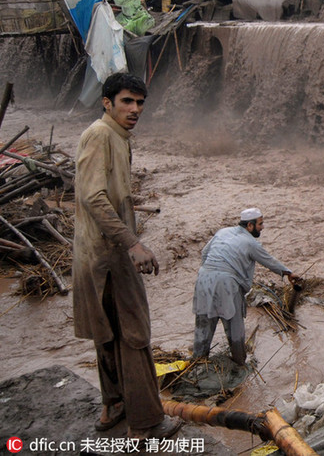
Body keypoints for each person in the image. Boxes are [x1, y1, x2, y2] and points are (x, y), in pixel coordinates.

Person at [73, 72, 181, 439]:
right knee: (134, 335)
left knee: (108, 332)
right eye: (127, 102)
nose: (135, 110)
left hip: (97, 253)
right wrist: (133, 243)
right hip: (109, 255)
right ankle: (147, 424)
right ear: (107, 102)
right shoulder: (101, 135)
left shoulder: (117, 136)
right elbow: (94, 198)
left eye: (140, 103)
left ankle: (114, 405)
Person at [192, 208, 298, 365]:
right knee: (234, 327)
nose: (262, 227)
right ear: (250, 225)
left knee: (203, 325)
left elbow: (204, 253)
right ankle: (240, 363)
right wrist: (288, 273)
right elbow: (269, 260)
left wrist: (209, 273)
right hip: (227, 283)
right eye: (260, 224)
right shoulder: (250, 243)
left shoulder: (223, 232)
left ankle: (197, 363)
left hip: (203, 279)